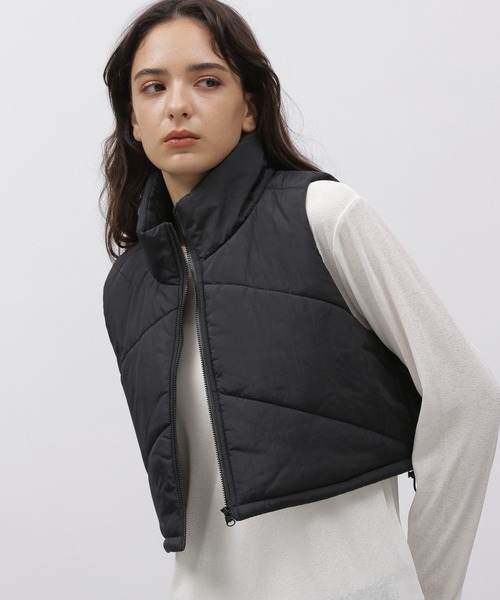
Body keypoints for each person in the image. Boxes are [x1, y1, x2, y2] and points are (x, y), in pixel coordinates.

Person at [100, 1, 500, 598]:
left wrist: (427, 590)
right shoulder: (130, 286)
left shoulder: (324, 216)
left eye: (207, 81)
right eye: (153, 87)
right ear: (133, 119)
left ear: (250, 107)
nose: (177, 105)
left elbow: (467, 400)